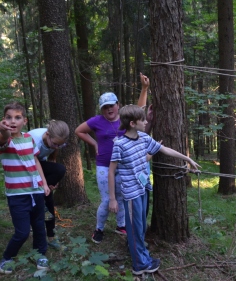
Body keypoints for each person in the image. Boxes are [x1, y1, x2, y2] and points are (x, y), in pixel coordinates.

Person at [108, 105, 201, 275]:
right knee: (135, 228)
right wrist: (113, 199)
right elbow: (111, 170)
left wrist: (187, 158)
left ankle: (142, 256)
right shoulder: (119, 145)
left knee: (141, 226)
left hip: (143, 189)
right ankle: (139, 265)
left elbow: (164, 149)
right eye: (143, 120)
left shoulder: (143, 138)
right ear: (132, 123)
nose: (146, 122)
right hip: (131, 195)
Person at [75, 73, 150, 244]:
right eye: (105, 107)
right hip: (104, 165)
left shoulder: (125, 118)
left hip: (124, 166)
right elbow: (78, 130)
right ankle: (99, 228)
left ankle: (120, 225)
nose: (109, 109)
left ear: (118, 105)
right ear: (101, 109)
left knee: (123, 196)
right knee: (108, 200)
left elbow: (140, 110)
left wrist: (144, 88)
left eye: (112, 105)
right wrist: (94, 144)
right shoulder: (97, 121)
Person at [0, 102, 51, 274]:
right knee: (22, 232)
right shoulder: (5, 140)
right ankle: (7, 257)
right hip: (17, 195)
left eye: (17, 117)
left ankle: (40, 254)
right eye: (8, 117)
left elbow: (36, 161)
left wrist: (43, 183)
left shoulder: (29, 138)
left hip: (35, 191)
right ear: (3, 120)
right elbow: (4, 137)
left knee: (39, 226)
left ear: (25, 120)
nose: (12, 121)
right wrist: (3, 129)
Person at [28, 120, 69, 250]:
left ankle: (51, 237)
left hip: (41, 168)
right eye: (55, 144)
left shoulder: (55, 142)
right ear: (47, 134)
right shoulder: (33, 139)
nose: (56, 147)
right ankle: (38, 240)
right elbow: (30, 165)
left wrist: (52, 182)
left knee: (48, 201)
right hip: (27, 170)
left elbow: (52, 160)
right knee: (40, 202)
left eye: (60, 145)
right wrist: (44, 183)